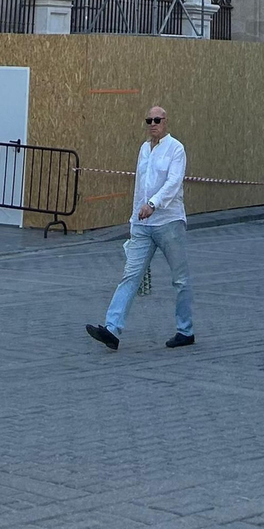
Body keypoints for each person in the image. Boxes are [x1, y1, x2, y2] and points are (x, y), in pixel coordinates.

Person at [86, 103, 195, 350]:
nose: (153, 125)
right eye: (149, 121)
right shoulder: (144, 150)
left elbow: (174, 183)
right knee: (130, 275)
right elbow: (140, 188)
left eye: (157, 120)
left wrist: (153, 204)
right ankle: (112, 329)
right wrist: (134, 218)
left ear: (166, 122)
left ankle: (185, 330)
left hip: (169, 222)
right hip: (143, 225)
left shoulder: (176, 149)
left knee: (180, 280)